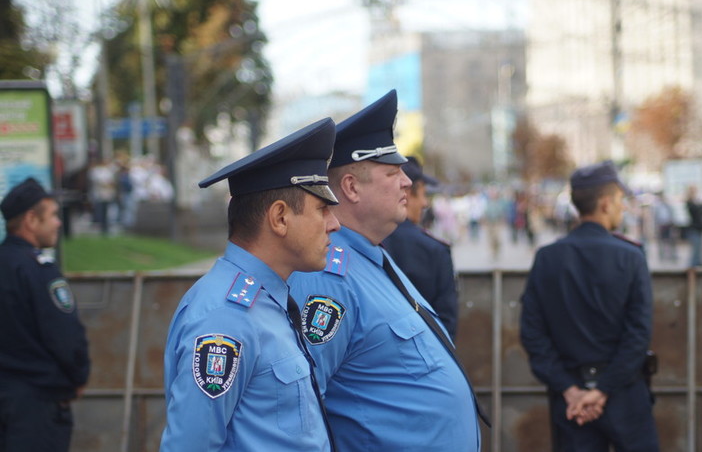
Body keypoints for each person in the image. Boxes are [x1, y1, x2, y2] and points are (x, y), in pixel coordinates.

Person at [288, 90, 487, 451]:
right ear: (351, 187)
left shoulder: (372, 254)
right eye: (393, 172)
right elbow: (304, 405)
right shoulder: (327, 277)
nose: (408, 182)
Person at [160, 118, 341, 451]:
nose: (335, 224)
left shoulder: (265, 301)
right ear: (280, 218)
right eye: (322, 209)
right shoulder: (225, 317)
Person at [520, 161, 659, 452]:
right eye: (621, 201)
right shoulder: (630, 257)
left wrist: (571, 391)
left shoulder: (547, 258)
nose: (624, 208)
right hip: (625, 394)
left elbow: (533, 334)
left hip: (569, 398)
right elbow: (638, 334)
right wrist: (603, 390)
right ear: (606, 204)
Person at [0, 177, 91, 451]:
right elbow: (65, 336)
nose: (58, 222)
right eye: (52, 215)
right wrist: (79, 376)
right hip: (36, 409)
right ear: (31, 219)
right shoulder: (39, 271)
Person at [382, 156, 460, 340]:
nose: (425, 204)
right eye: (423, 194)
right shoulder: (434, 250)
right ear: (407, 193)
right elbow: (446, 325)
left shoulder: (369, 239)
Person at [685, 185, 702, 267]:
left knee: (699, 246)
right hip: (694, 227)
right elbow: (695, 212)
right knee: (695, 246)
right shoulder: (690, 202)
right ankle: (693, 263)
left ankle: (698, 261)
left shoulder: (696, 201)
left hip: (699, 227)